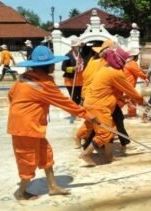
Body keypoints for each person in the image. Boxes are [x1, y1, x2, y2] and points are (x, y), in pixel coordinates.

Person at [7, 45, 95, 200]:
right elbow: (65, 103)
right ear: (46, 65)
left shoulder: (25, 77)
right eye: (52, 63)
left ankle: (53, 186)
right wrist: (88, 115)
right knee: (27, 160)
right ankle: (21, 193)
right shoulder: (44, 84)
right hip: (25, 128)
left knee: (46, 154)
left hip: (30, 125)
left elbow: (11, 95)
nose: (54, 66)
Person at [79, 46, 146, 166]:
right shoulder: (115, 73)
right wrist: (141, 101)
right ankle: (86, 154)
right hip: (99, 105)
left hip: (98, 103)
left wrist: (123, 98)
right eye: (123, 61)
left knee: (109, 130)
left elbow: (111, 89)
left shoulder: (106, 68)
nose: (124, 63)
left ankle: (109, 157)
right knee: (104, 133)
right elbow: (130, 90)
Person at [123, 49, 149, 117]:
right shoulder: (132, 63)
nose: (138, 57)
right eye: (137, 56)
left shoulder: (127, 62)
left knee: (126, 100)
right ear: (135, 57)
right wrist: (146, 77)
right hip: (129, 85)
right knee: (131, 100)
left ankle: (131, 114)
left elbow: (138, 70)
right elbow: (138, 72)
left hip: (127, 84)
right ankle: (132, 115)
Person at [61, 37, 84, 106]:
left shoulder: (82, 54)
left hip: (81, 80)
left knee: (81, 97)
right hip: (71, 81)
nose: (79, 48)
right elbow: (63, 68)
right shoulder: (68, 55)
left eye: (79, 46)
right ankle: (75, 111)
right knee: (74, 98)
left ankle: (79, 111)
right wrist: (73, 68)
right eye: (77, 46)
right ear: (73, 47)